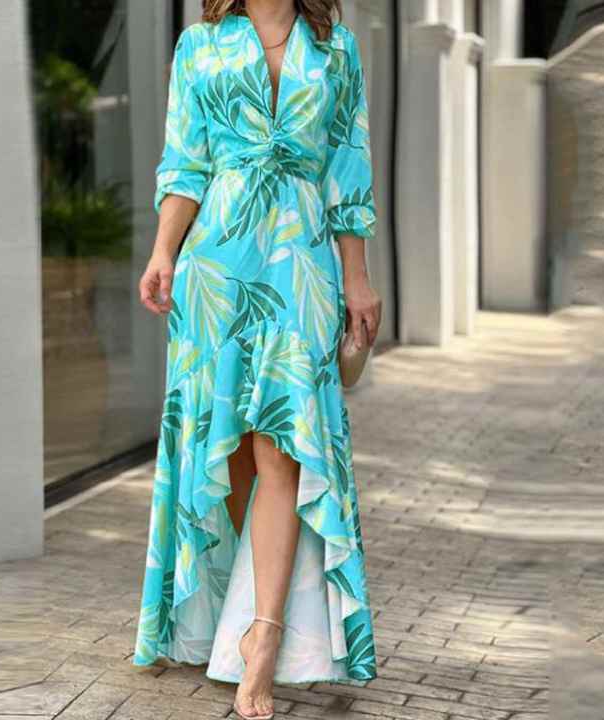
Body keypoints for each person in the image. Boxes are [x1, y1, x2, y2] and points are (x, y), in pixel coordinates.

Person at [135, 0, 382, 717]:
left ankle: (266, 640)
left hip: (300, 265)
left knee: (285, 448)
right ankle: (240, 621)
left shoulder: (335, 48)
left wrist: (357, 277)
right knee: (230, 447)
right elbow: (186, 163)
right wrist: (163, 252)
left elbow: (348, 168)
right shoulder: (199, 45)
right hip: (216, 266)